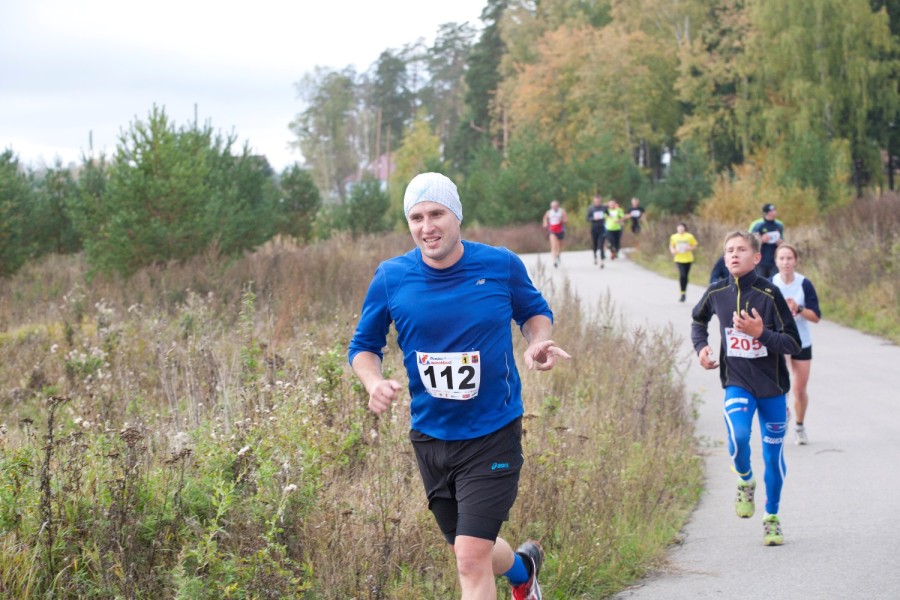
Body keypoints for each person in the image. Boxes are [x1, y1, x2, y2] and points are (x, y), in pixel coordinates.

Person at [348, 172, 571, 599]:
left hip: (493, 432)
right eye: (416, 217)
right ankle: (524, 570)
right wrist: (372, 380)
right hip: (431, 436)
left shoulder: (499, 264)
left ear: (457, 216)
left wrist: (539, 341)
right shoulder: (392, 277)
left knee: (469, 558)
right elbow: (363, 345)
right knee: (469, 547)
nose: (426, 226)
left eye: (436, 213)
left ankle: (521, 575)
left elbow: (534, 313)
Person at [691, 230, 801, 547]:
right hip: (737, 382)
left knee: (773, 457)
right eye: (729, 250)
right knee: (738, 437)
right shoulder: (716, 291)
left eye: (741, 250)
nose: (734, 255)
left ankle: (771, 518)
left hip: (773, 388)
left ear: (756, 257)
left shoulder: (769, 294)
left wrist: (760, 333)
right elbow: (697, 320)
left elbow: (791, 341)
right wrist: (701, 347)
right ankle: (744, 479)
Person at [771, 244, 821, 445]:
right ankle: (784, 413)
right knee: (780, 386)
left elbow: (816, 317)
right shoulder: (769, 284)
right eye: (781, 258)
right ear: (776, 261)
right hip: (779, 340)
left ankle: (799, 426)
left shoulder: (804, 284)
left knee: (799, 389)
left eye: (789, 258)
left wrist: (798, 308)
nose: (785, 262)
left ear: (796, 261)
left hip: (801, 341)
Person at [749, 203, 784, 279]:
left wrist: (780, 243)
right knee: (760, 283)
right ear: (767, 213)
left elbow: (781, 241)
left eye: (775, 210)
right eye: (772, 210)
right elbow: (751, 243)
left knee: (773, 283)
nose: (775, 212)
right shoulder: (758, 226)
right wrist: (761, 240)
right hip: (760, 261)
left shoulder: (779, 226)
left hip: (774, 261)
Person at [669, 222, 698, 302]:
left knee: (685, 276)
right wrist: (673, 250)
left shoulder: (689, 236)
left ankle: (684, 291)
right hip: (678, 259)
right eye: (679, 228)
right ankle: (682, 294)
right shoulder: (674, 237)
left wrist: (690, 248)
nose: (680, 229)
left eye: (682, 227)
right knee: (682, 275)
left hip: (688, 259)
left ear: (684, 228)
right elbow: (671, 245)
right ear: (677, 228)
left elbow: (695, 245)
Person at [542, 199, 568, 267]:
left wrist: (562, 220)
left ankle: (558, 255)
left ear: (558, 206)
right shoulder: (549, 212)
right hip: (552, 230)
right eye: (553, 206)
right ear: (551, 206)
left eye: (555, 206)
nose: (554, 207)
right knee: (554, 245)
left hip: (560, 230)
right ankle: (554, 261)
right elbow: (545, 218)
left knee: (560, 245)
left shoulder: (562, 211)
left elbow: (566, 220)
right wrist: (545, 223)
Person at [585, 195, 607, 267]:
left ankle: (602, 261)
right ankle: (595, 256)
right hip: (594, 228)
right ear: (594, 201)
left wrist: (607, 217)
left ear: (601, 201)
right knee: (595, 244)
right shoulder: (591, 208)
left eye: (599, 201)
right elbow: (587, 218)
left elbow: (609, 214)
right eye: (596, 201)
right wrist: (593, 218)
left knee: (601, 244)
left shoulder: (604, 208)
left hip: (602, 228)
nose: (597, 202)